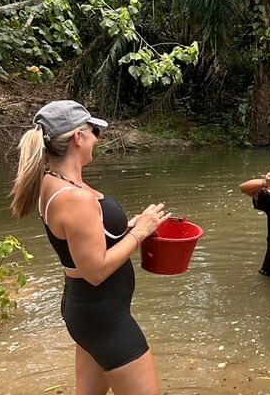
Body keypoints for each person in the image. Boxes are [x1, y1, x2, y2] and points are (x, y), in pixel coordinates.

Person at [9, 100, 171, 395]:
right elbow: (95, 271)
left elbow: (85, 239)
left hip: (90, 311)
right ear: (77, 137)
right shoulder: (74, 198)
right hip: (103, 317)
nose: (97, 139)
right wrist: (140, 233)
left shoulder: (51, 182)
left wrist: (128, 228)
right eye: (94, 131)